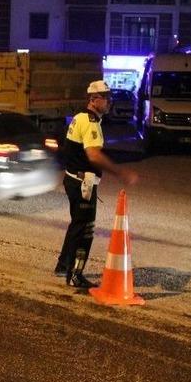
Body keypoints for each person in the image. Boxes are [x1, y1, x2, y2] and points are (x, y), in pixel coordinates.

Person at [54, 80, 139, 288]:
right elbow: (93, 155)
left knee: (77, 224)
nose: (110, 102)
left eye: (110, 97)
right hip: (82, 183)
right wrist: (120, 172)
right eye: (106, 98)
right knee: (86, 229)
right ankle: (75, 274)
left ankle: (63, 265)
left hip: (73, 179)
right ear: (93, 100)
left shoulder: (79, 117)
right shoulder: (90, 122)